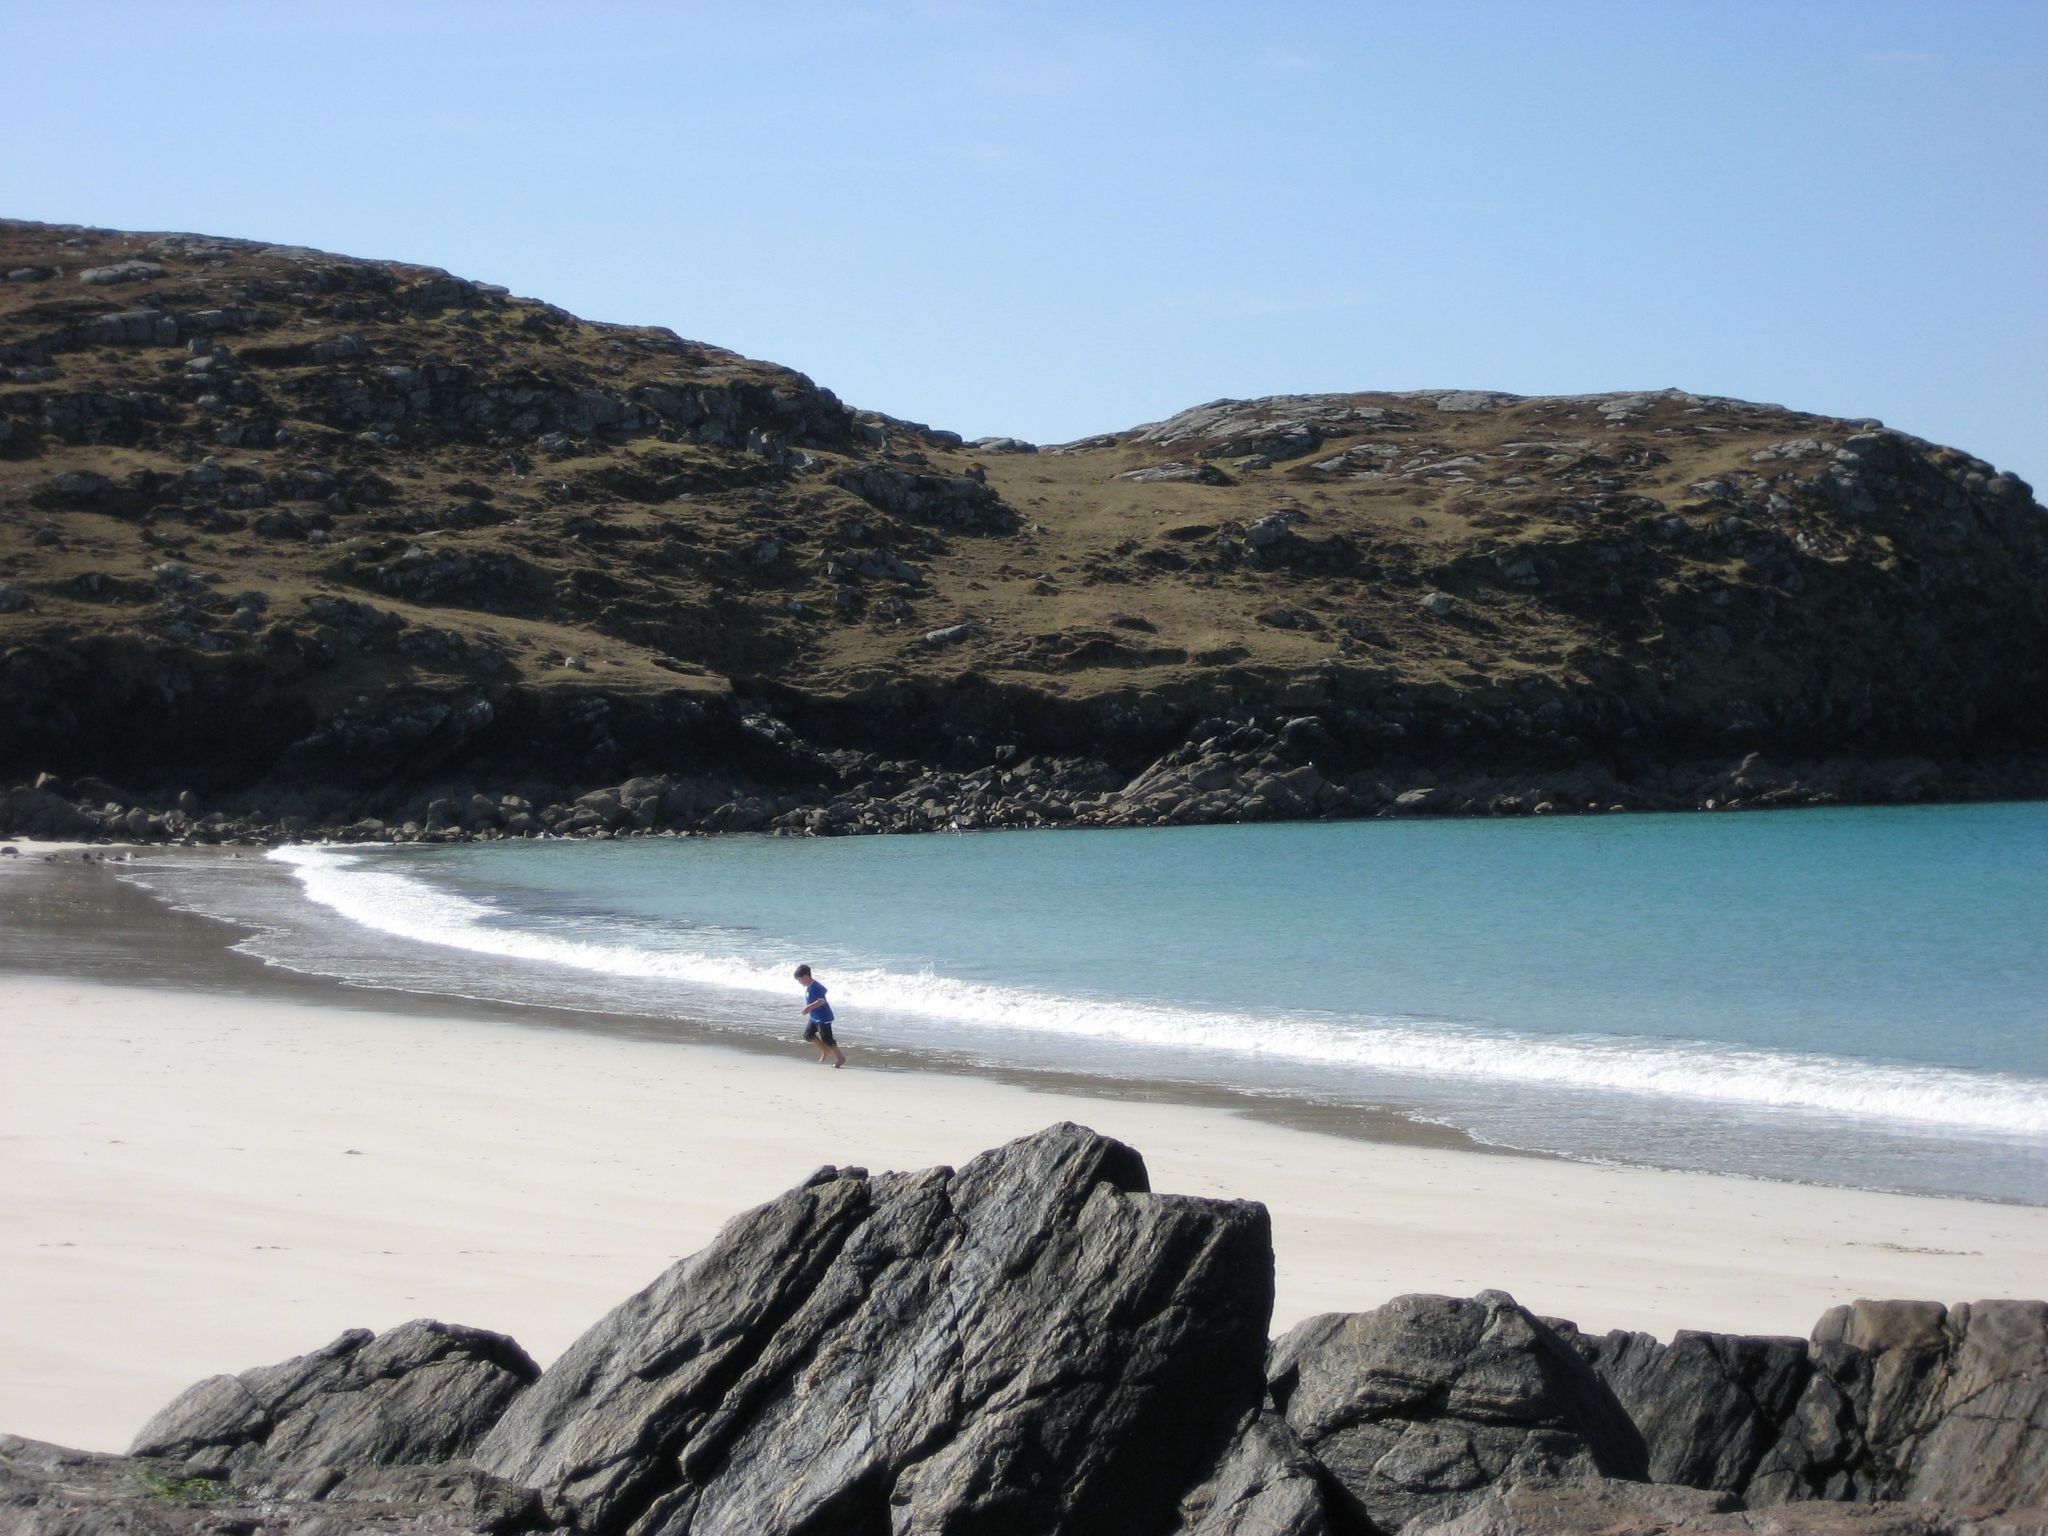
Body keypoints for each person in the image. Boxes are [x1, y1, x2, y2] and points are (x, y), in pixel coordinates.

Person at [794, 964, 845, 1068]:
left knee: (828, 1040)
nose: (799, 982)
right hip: (814, 1017)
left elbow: (821, 1001)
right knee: (808, 1035)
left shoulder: (815, 986)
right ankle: (825, 1050)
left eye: (800, 980)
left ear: (806, 976)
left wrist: (808, 1008)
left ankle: (841, 1059)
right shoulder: (810, 986)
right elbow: (825, 990)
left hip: (823, 1018)